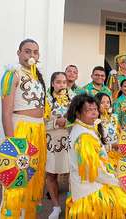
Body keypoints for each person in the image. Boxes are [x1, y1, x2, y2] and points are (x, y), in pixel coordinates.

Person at [65, 94, 126, 219]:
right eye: (89, 110)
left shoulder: (85, 128)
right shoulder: (84, 137)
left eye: (95, 109)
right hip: (91, 191)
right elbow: (96, 172)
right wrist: (117, 181)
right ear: (78, 113)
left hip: (93, 184)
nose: (94, 113)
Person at [0, 39, 46, 218]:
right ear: (19, 53)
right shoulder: (12, 74)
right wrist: (11, 144)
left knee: (33, 178)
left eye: (35, 52)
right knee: (17, 179)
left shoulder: (36, 75)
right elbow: (5, 113)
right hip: (22, 129)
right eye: (27, 51)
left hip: (39, 130)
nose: (32, 55)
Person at [44, 72, 74, 219]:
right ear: (52, 84)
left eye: (64, 82)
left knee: (72, 174)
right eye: (58, 82)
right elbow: (40, 122)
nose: (61, 85)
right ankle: (56, 207)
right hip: (52, 141)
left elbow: (80, 117)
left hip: (70, 141)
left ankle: (72, 204)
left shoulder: (73, 99)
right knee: (51, 174)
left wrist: (67, 121)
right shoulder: (46, 100)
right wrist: (56, 122)